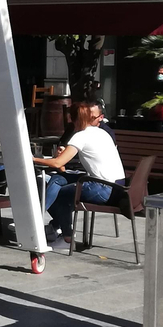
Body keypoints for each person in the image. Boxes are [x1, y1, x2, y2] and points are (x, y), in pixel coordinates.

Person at [33, 100, 124, 253]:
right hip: (118, 187)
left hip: (103, 189)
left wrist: (32, 159)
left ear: (75, 119)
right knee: (57, 181)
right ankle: (50, 223)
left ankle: (65, 237)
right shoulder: (102, 133)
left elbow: (57, 163)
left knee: (59, 194)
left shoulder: (81, 136)